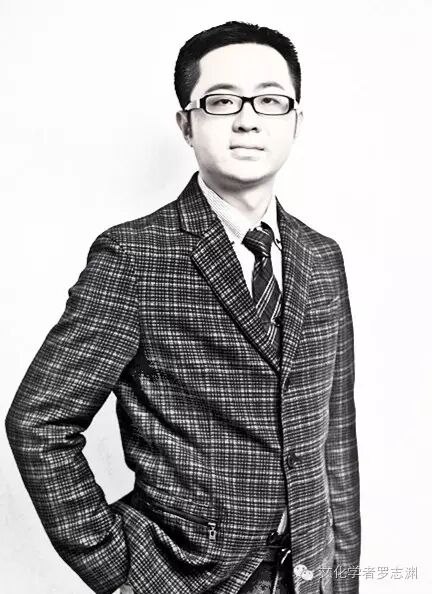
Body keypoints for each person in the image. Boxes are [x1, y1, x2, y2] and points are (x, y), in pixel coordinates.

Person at [5, 20, 361, 594]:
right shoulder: (134, 256)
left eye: (271, 100)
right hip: (182, 576)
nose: (248, 119)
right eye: (222, 101)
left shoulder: (323, 257)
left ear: (296, 120)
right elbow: (38, 420)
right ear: (186, 124)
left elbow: (335, 440)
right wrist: (114, 571)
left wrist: (341, 581)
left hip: (305, 578)